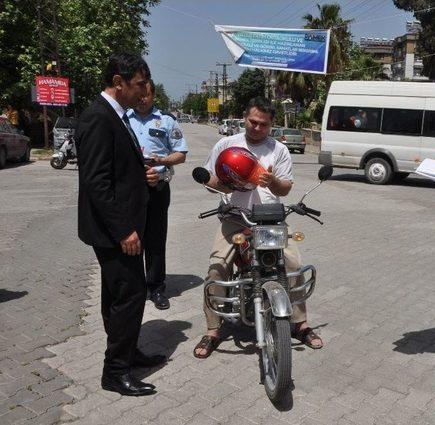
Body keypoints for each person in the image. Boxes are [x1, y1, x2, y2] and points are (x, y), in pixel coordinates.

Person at [193, 97, 323, 358]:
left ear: (271, 124)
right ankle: (213, 330)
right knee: (217, 268)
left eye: (263, 124)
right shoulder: (226, 144)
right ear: (244, 118)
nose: (256, 128)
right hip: (234, 218)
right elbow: (213, 179)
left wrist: (272, 181)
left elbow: (285, 188)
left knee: (294, 265)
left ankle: (300, 324)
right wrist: (225, 184)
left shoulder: (279, 150)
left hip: (271, 221)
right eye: (253, 122)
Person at [76, 53, 166, 397]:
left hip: (124, 223)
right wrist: (123, 230)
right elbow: (97, 181)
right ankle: (115, 372)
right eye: (139, 84)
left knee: (118, 294)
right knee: (129, 294)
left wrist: (139, 173)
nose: (145, 92)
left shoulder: (117, 115)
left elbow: (114, 169)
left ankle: (127, 352)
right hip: (116, 231)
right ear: (119, 82)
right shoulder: (99, 117)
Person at [127, 79, 188, 310]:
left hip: (157, 187)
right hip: (130, 189)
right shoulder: (124, 119)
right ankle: (135, 288)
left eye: (146, 94)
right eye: (138, 93)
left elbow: (181, 153)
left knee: (155, 239)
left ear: (153, 96)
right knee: (131, 238)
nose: (141, 98)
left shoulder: (166, 120)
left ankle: (156, 288)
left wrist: (160, 161)